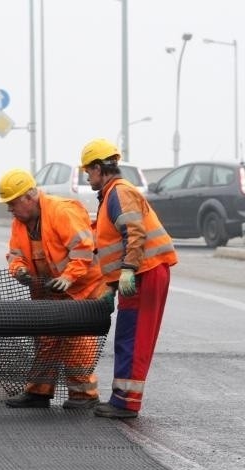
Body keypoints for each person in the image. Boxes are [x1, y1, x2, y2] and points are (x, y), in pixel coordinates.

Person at [80, 138, 178, 419]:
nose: (87, 177)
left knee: (134, 338)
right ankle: (122, 400)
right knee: (127, 335)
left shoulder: (120, 193)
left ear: (99, 168)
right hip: (139, 274)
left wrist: (127, 269)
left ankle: (126, 403)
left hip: (144, 273)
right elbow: (115, 242)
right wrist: (112, 285)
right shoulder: (112, 194)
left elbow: (134, 234)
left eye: (89, 171)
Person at [0, 168, 106, 410]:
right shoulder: (21, 223)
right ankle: (38, 392)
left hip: (81, 288)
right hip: (49, 290)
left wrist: (68, 278)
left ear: (29, 196)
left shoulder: (61, 211)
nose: (9, 209)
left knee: (76, 339)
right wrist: (19, 271)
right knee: (46, 337)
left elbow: (83, 250)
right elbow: (15, 254)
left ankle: (84, 396)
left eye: (13, 203)